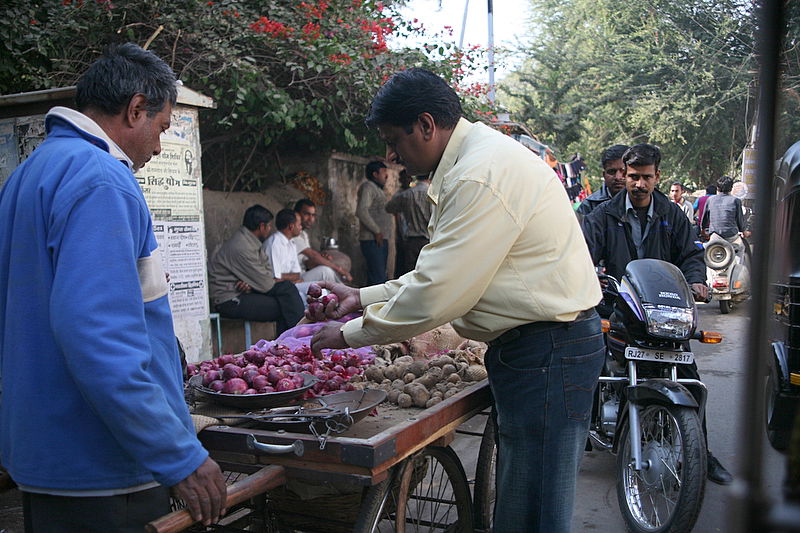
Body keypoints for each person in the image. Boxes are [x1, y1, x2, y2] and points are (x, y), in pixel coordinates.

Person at [311, 68, 604, 533]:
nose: (392, 156)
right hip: (538, 349)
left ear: (426, 125)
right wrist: (361, 296)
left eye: (394, 140)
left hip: (549, 351)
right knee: (524, 498)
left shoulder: (478, 174)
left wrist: (349, 334)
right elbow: (440, 272)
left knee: (536, 507)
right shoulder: (475, 160)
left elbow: (437, 294)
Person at [0, 43, 226, 532]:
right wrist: (178, 454)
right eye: (161, 128)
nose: (159, 148)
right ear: (135, 109)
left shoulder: (29, 173)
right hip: (102, 463)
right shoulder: (103, 179)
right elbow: (99, 335)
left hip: (43, 454)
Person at [582, 143, 733, 486]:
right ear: (626, 175)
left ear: (657, 177)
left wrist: (696, 281)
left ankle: (700, 451)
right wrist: (588, 274)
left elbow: (691, 254)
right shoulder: (603, 214)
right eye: (633, 176)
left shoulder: (672, 214)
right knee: (591, 367)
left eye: (646, 177)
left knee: (689, 377)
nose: (639, 184)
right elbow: (583, 253)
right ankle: (581, 436)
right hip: (619, 310)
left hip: (663, 312)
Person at [208, 205, 304, 335]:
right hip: (228, 299)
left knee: (286, 298)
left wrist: (251, 284)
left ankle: (290, 342)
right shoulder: (242, 246)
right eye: (269, 226)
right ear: (262, 226)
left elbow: (267, 270)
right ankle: (295, 340)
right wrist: (255, 284)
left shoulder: (250, 241)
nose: (270, 229)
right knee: (285, 301)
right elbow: (266, 283)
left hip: (243, 291)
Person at [292, 199, 352, 283]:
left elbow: (307, 263)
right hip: (294, 280)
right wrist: (340, 270)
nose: (311, 219)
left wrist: (322, 260)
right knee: (325, 271)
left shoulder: (303, 235)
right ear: (296, 214)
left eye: (313, 215)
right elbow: (313, 255)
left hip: (303, 275)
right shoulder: (292, 235)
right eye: (306, 214)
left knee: (326, 269)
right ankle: (345, 290)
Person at [385, 173, 432, 276]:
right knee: (427, 272)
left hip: (412, 240)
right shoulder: (433, 194)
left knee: (410, 273)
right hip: (428, 240)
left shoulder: (406, 194)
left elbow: (389, 207)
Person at [262, 208, 312, 301]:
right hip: (277, 290)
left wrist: (286, 278)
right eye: (299, 224)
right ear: (291, 226)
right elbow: (274, 279)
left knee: (321, 290)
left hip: (290, 285)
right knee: (309, 297)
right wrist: (292, 280)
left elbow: (297, 274)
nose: (301, 227)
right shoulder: (274, 244)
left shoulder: (291, 243)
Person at [357, 160, 393, 284]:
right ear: (375, 174)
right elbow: (361, 211)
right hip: (372, 239)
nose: (386, 176)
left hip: (379, 239)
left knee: (380, 276)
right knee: (378, 278)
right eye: (384, 172)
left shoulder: (378, 189)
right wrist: (377, 231)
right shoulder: (368, 187)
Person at [576, 144, 629, 216]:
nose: (618, 177)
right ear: (604, 175)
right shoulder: (589, 205)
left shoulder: (642, 199)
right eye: (612, 172)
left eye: (623, 171)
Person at [702, 176, 749, 240]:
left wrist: (703, 231)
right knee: (742, 245)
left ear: (717, 188)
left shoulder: (710, 200)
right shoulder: (735, 200)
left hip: (714, 236)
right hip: (731, 236)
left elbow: (705, 219)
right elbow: (740, 220)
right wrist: (744, 232)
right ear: (731, 188)